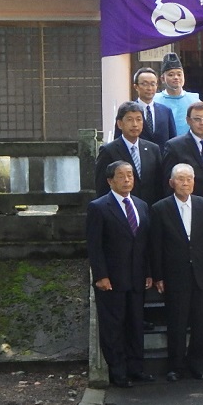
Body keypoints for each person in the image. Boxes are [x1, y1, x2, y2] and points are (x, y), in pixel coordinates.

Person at [86, 160, 153, 388]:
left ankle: (137, 368)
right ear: (110, 180)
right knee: (114, 327)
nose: (127, 180)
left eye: (130, 175)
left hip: (136, 277)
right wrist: (101, 275)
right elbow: (94, 246)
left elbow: (145, 244)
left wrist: (148, 272)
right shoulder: (99, 207)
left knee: (135, 324)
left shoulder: (141, 205)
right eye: (121, 176)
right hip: (112, 279)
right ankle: (118, 371)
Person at [150, 164, 203, 381]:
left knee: (201, 321)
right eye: (180, 179)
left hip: (202, 274)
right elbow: (156, 245)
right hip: (174, 274)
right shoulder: (160, 208)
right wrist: (158, 275)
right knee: (176, 323)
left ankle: (199, 365)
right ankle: (175, 366)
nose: (185, 183)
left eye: (189, 179)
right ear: (171, 183)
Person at [96, 101, 163, 207]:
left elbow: (159, 183)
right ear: (120, 124)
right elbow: (102, 187)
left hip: (149, 210)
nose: (135, 124)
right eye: (129, 120)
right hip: (121, 210)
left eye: (139, 119)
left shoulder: (153, 149)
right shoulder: (108, 151)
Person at [114, 67, 177, 148]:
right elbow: (118, 140)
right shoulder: (126, 111)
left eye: (152, 84)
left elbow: (172, 141)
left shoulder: (166, 111)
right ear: (136, 86)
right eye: (144, 84)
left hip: (162, 159)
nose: (149, 88)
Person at [154, 52, 203, 136]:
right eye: (171, 75)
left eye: (179, 74)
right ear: (162, 79)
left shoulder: (195, 100)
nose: (176, 77)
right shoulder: (155, 100)